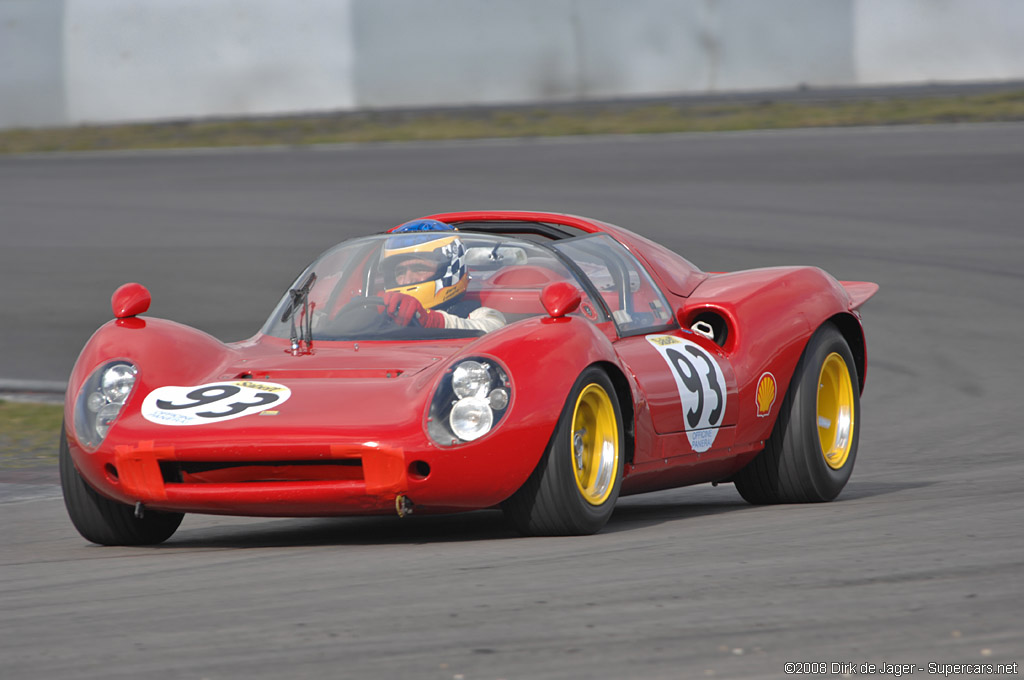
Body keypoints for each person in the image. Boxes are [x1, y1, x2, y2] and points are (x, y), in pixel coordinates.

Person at [379, 220, 506, 333]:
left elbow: (493, 330)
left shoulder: (482, 315)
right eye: (400, 272)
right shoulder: (384, 313)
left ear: (452, 269)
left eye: (419, 269)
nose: (407, 280)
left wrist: (432, 320)